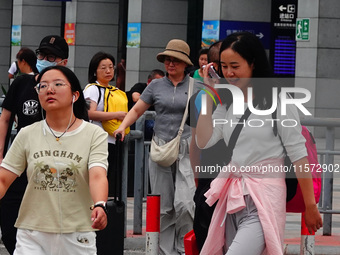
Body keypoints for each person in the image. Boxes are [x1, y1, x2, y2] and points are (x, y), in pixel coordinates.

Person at [196, 32, 323, 254]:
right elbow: (204, 141)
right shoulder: (229, 102)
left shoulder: (279, 101)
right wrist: (209, 93)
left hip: (265, 196)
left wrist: (310, 206)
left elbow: (298, 155)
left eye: (235, 65)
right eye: (224, 66)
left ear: (253, 63)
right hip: (233, 196)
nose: (228, 73)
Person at [0, 65, 108, 255]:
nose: (49, 89)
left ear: (75, 95)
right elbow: (3, 179)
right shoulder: (27, 134)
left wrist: (100, 204)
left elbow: (97, 175)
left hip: (77, 233)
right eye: (42, 86)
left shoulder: (94, 134)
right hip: (32, 233)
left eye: (58, 84)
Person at [114, 39, 196, 255]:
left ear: (185, 63)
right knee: (164, 207)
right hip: (160, 148)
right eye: (168, 60)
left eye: (175, 60)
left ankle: (183, 248)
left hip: (188, 149)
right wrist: (123, 127)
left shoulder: (196, 86)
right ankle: (166, 251)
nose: (170, 64)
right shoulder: (156, 86)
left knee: (186, 204)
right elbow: (137, 111)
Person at [0, 35, 69, 255]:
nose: (43, 59)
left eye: (50, 56)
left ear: (63, 62)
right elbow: (5, 118)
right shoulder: (22, 83)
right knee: (10, 227)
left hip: (52, 166)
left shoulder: (68, 89)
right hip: (20, 163)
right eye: (41, 55)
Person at [189, 40, 225, 252]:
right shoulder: (203, 96)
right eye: (224, 64)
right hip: (210, 184)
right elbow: (196, 144)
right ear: (211, 66)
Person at [83, 51, 128, 197]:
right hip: (97, 141)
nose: (108, 71)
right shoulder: (92, 89)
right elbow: (90, 113)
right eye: (103, 68)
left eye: (111, 67)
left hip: (112, 141)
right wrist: (117, 115)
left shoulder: (113, 90)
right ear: (95, 71)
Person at [127, 69, 165, 140]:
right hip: (136, 124)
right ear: (149, 81)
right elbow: (135, 98)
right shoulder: (140, 86)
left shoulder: (161, 93)